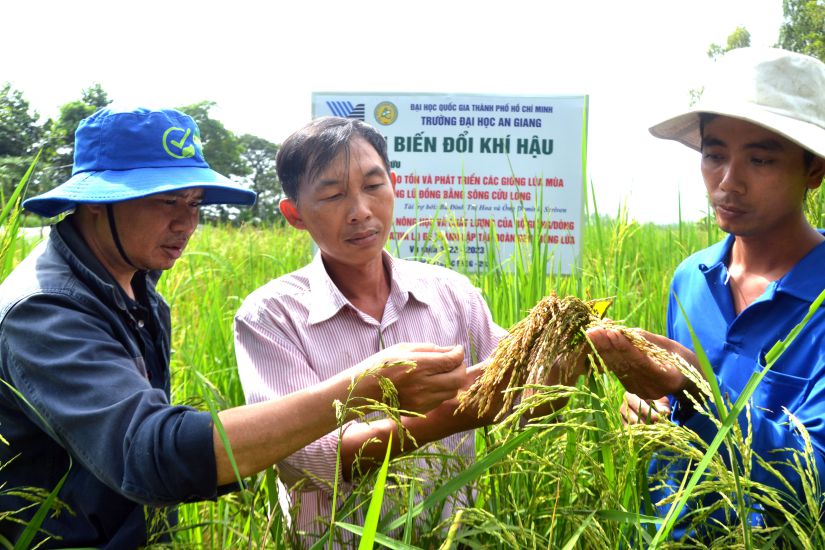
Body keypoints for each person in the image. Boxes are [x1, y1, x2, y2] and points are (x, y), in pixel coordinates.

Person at [0, 107, 470, 548]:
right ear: (97, 202)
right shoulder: (46, 311)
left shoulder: (132, 283)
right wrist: (361, 389)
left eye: (195, 203)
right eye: (167, 201)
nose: (186, 224)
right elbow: (148, 455)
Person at [233, 116, 511, 540]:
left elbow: (519, 385)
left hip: (451, 538)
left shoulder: (451, 293)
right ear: (294, 214)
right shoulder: (272, 316)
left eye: (374, 186)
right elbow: (304, 459)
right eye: (332, 195)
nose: (360, 211)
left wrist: (561, 363)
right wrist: (453, 416)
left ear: (393, 185)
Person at [586, 47, 825, 539]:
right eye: (714, 155)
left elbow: (815, 476)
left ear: (814, 171)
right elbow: (679, 427)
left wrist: (696, 389)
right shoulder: (690, 279)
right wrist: (655, 409)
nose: (727, 182)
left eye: (760, 159)